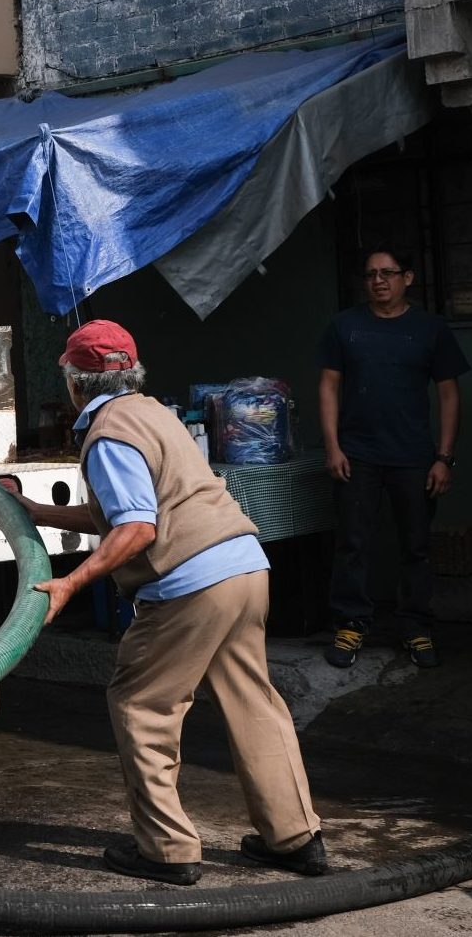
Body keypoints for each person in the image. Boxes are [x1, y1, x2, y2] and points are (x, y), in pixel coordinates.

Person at [21, 320, 325, 886]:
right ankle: (296, 837)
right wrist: (37, 512)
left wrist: (70, 583)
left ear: (73, 381)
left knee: (142, 704)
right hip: (243, 565)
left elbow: (135, 527)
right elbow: (121, 513)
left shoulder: (107, 433)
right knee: (252, 698)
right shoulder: (154, 413)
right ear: (132, 371)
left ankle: (167, 850)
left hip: (189, 584)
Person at [317, 249, 470, 670]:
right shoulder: (345, 326)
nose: (378, 281)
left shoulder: (429, 329)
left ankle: (415, 627)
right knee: (352, 543)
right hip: (357, 455)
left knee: (416, 546)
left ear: (409, 278)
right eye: (370, 274)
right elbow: (329, 387)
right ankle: (351, 625)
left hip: (413, 457)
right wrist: (333, 446)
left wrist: (444, 458)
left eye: (387, 273)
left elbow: (449, 394)